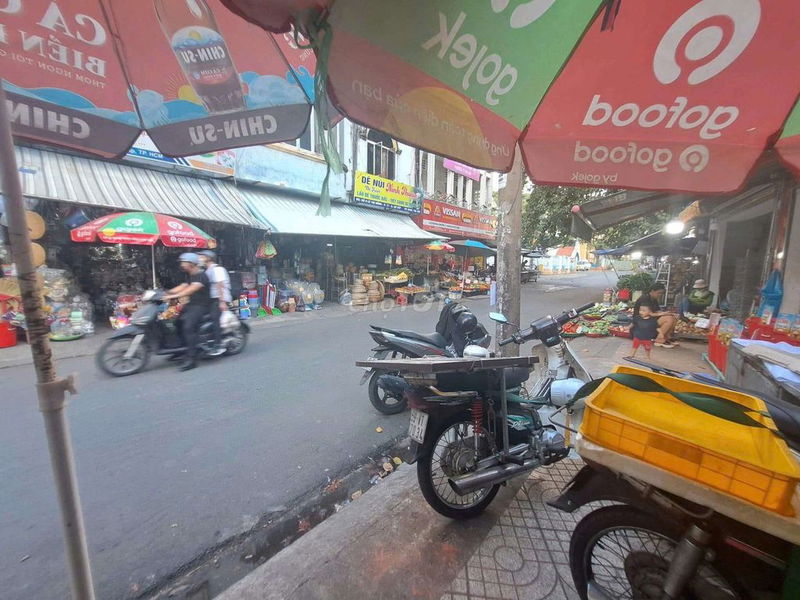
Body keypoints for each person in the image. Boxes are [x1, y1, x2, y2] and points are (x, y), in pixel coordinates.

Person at [164, 253, 211, 371]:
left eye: (184, 262)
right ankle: (182, 349)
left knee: (188, 327)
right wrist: (166, 292)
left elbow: (190, 290)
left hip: (201, 306)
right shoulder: (190, 275)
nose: (182, 265)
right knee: (175, 322)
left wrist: (173, 296)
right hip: (191, 305)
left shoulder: (201, 276)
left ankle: (192, 358)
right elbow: (183, 286)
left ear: (192, 263)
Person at [199, 250, 229, 356]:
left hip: (218, 299)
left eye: (202, 256)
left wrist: (222, 301)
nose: (200, 259)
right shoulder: (207, 270)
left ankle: (219, 345)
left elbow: (219, 285)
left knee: (215, 320)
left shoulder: (217, 269)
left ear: (209, 258)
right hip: (212, 299)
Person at [633, 283, 677, 349]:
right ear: (652, 291)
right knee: (669, 319)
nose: (660, 295)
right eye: (658, 293)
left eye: (661, 293)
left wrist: (667, 313)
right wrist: (663, 314)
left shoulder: (654, 299)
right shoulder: (644, 298)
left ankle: (666, 337)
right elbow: (648, 313)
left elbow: (657, 311)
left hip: (649, 321)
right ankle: (659, 339)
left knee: (673, 318)